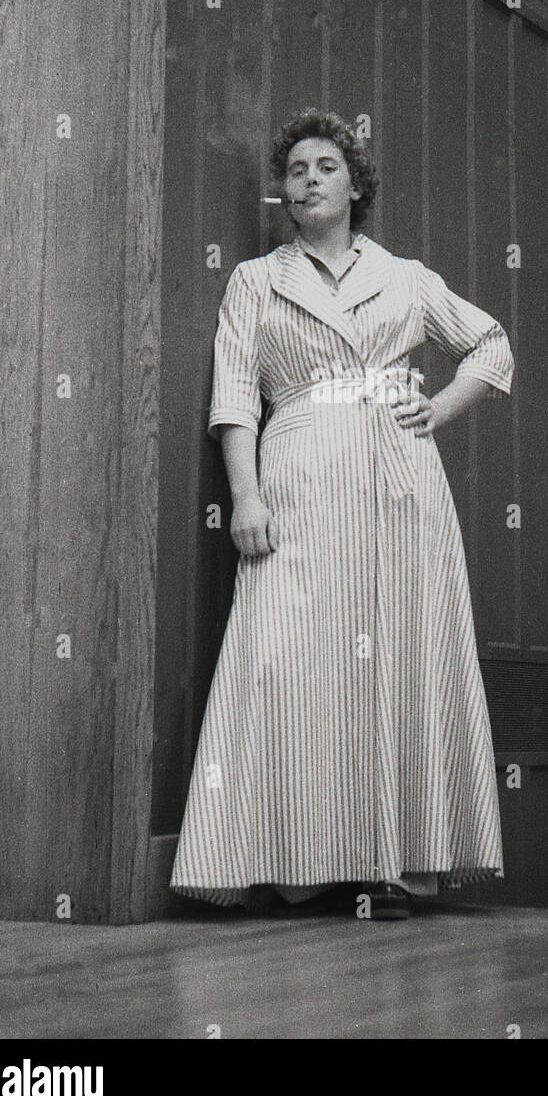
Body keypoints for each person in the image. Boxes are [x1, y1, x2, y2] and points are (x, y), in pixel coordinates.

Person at [169, 107, 514, 920]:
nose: (310, 179)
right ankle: (289, 859)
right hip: (296, 473)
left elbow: (491, 344)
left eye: (326, 166)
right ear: (283, 196)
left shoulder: (408, 277)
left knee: (392, 649)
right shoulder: (255, 281)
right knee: (286, 657)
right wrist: (244, 493)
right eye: (295, 170)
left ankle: (389, 865)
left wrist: (444, 408)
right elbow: (232, 398)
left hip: (398, 486)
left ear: (356, 185)